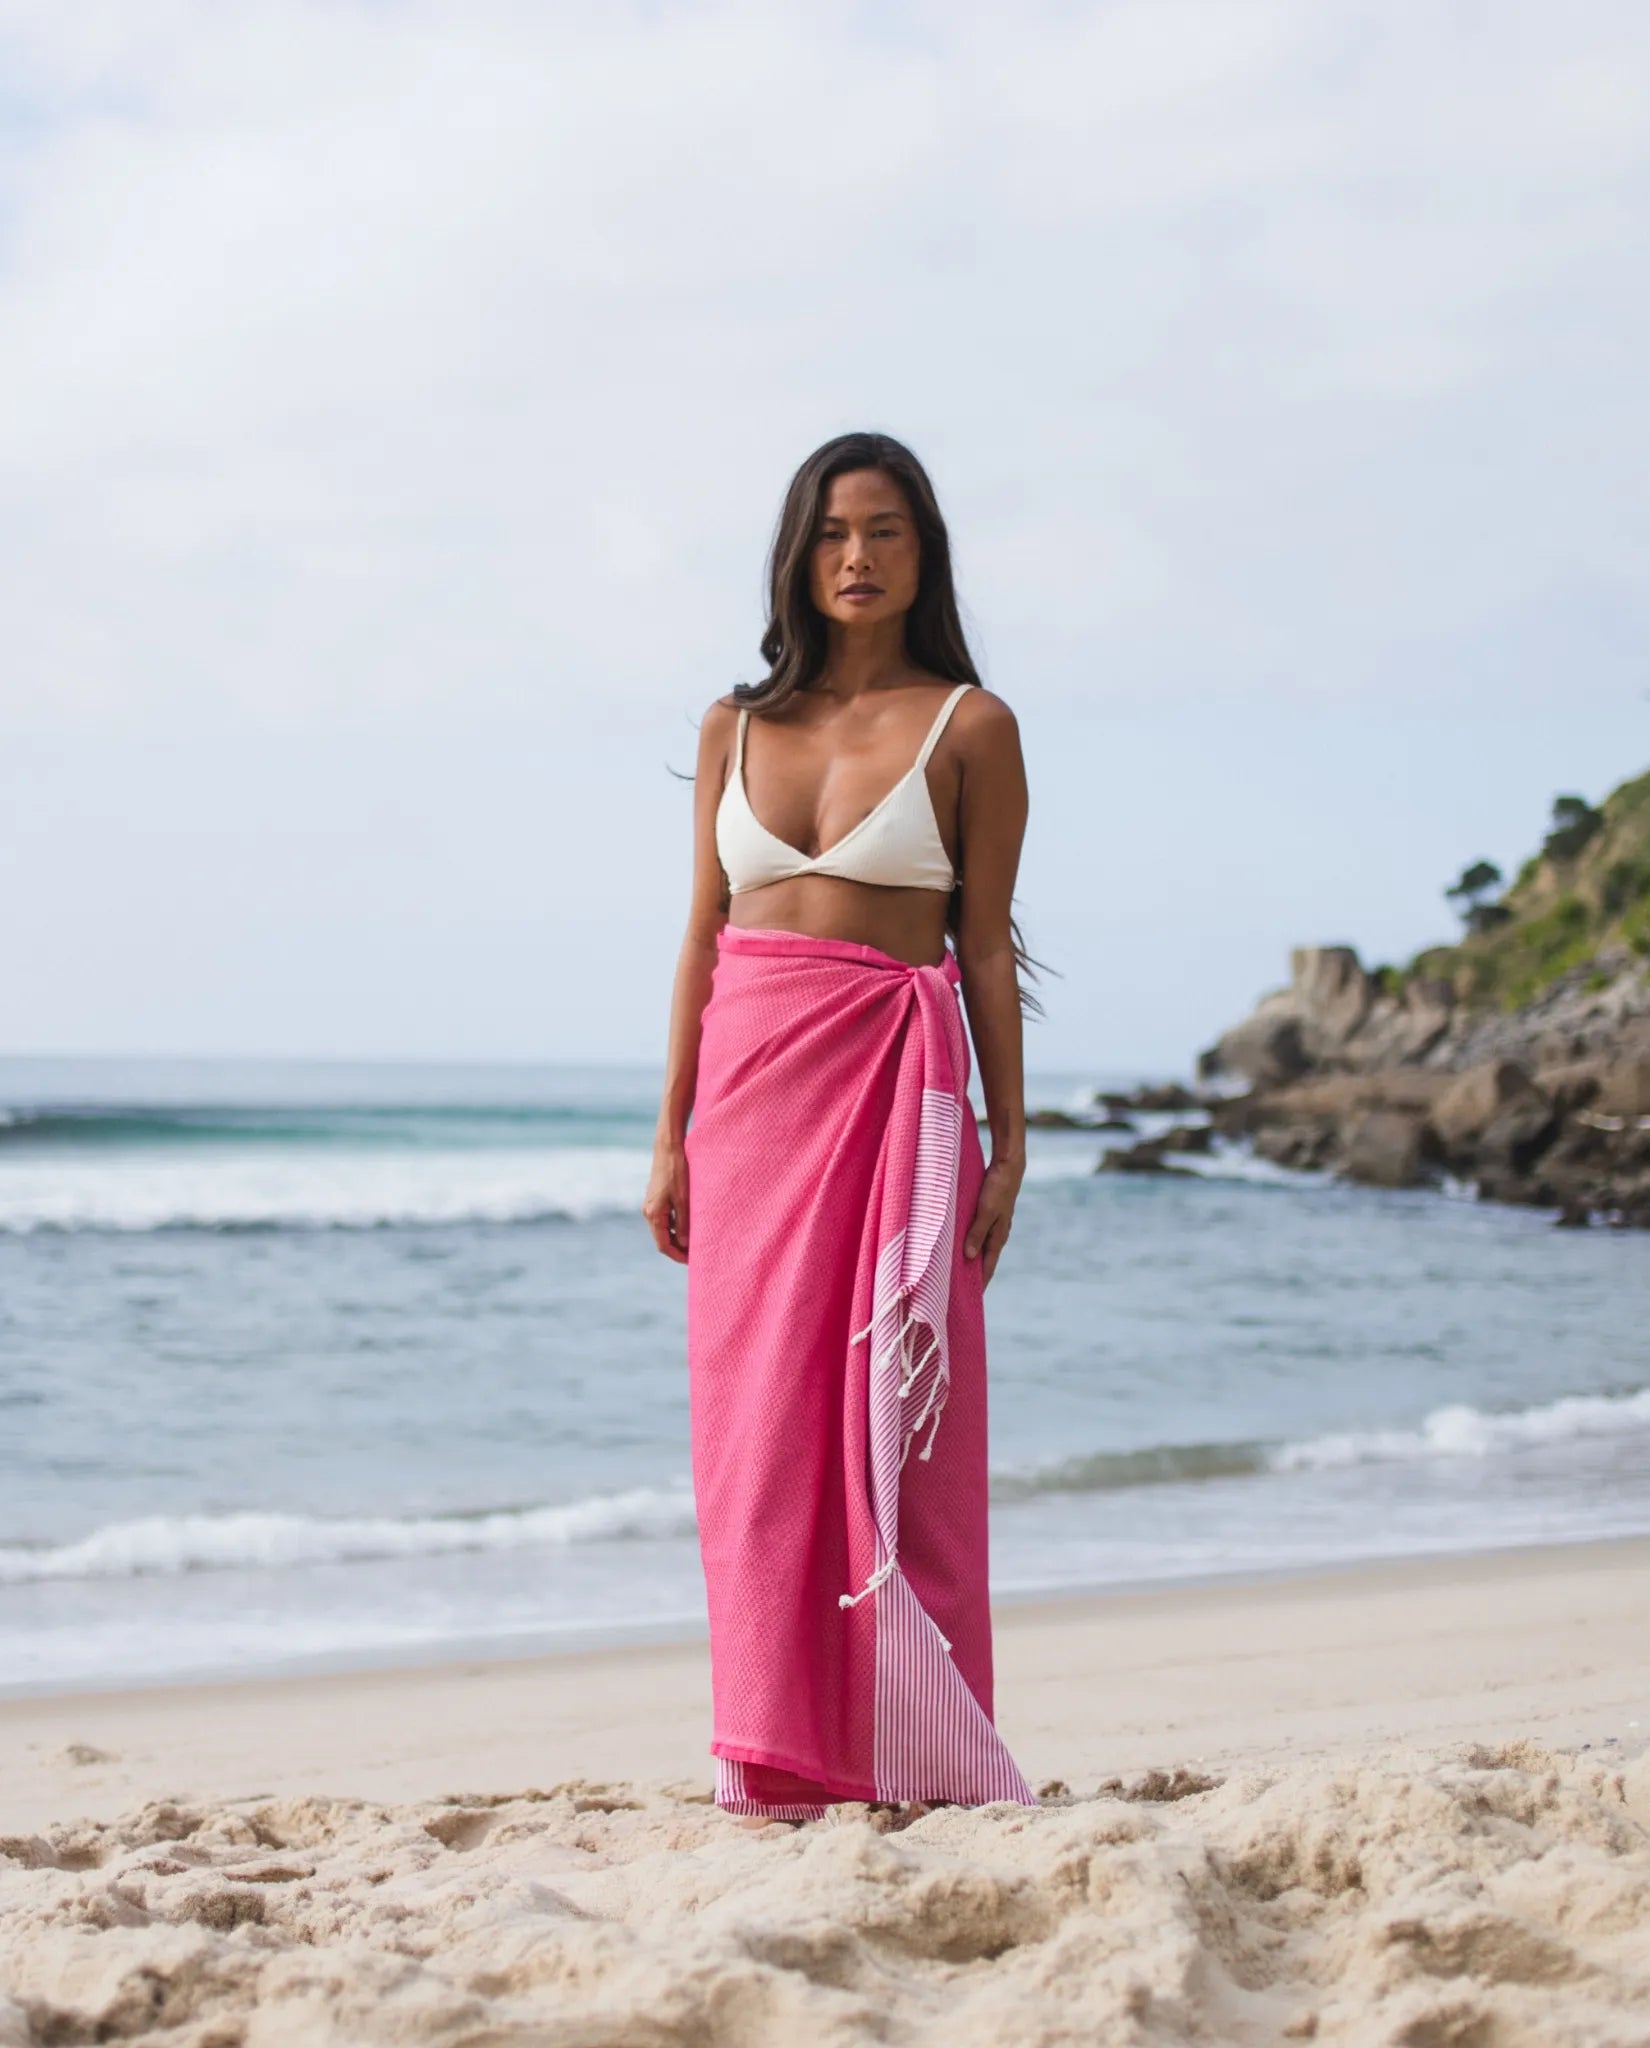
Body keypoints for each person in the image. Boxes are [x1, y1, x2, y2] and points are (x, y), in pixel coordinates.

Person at [644, 430, 1036, 1824]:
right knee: (757, 1448)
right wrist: (668, 1134)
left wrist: (1009, 1142)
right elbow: (701, 937)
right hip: (748, 1113)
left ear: (922, 553)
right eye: (829, 534)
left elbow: (981, 950)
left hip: (896, 1107)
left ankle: (919, 1748)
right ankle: (774, 1750)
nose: (855, 559)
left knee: (903, 1435)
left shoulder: (971, 727)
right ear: (796, 558)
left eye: (881, 532)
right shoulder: (731, 728)